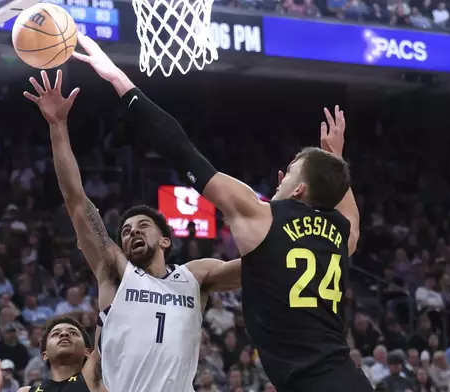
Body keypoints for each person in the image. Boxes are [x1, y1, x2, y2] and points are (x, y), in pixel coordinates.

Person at [72, 33, 368, 392]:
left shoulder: (263, 218)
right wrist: (334, 161)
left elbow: (181, 150)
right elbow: (350, 215)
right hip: (347, 377)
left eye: (290, 170)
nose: (282, 176)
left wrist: (119, 80)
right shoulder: (341, 234)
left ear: (300, 188)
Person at [23, 69, 241, 392]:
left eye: (142, 226)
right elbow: (76, 201)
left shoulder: (195, 276)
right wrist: (57, 126)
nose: (132, 233)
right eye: (125, 231)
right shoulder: (116, 271)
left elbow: (259, 267)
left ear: (165, 239)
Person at [0, 317, 105, 392]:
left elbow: (106, 304)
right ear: (45, 354)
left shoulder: (95, 381)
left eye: (73, 333)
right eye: (56, 334)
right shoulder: (26, 391)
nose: (64, 334)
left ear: (87, 352)